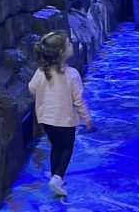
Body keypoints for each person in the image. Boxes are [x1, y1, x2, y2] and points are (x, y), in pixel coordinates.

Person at [28, 30, 92, 197]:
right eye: (69, 44)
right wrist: (87, 118)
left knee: (56, 146)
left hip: (47, 120)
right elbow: (79, 100)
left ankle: (55, 175)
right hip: (65, 120)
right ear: (61, 52)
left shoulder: (41, 71)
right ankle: (57, 177)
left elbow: (32, 88)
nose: (72, 45)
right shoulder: (71, 74)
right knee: (66, 149)